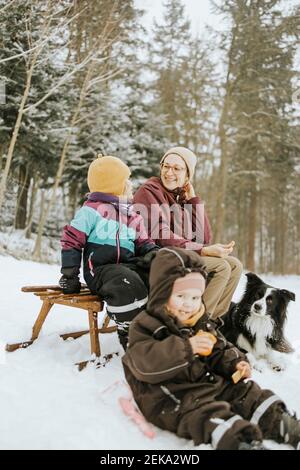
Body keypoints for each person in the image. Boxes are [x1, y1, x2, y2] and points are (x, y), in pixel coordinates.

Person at [122, 247, 300, 450]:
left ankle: (279, 421)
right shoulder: (145, 326)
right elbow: (146, 364)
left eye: (195, 297)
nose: (188, 304)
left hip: (205, 383)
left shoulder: (198, 320)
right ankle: (241, 441)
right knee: (206, 414)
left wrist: (235, 363)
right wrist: (186, 348)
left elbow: (218, 347)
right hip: (171, 396)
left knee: (243, 391)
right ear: (162, 294)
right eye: (181, 296)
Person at [59, 155, 158, 350]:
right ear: (114, 185)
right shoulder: (91, 211)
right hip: (101, 271)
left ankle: (155, 326)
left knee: (153, 277)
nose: (130, 185)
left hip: (128, 267)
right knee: (125, 281)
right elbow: (71, 241)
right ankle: (128, 327)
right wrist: (70, 275)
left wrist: (153, 253)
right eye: (126, 181)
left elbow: (143, 241)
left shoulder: (131, 214)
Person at [133, 147, 242, 319]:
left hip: (178, 255)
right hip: (154, 258)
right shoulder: (149, 191)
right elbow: (161, 235)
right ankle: (195, 321)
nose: (169, 173)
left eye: (177, 169)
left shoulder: (180, 197)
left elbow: (203, 237)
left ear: (187, 175)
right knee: (221, 267)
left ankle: (212, 321)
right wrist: (203, 251)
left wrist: (193, 200)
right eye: (166, 166)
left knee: (235, 265)